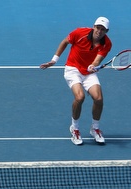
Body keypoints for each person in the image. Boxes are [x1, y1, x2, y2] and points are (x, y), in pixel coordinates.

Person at [40, 17, 112, 145]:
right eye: (97, 28)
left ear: (106, 31)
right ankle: (75, 128)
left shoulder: (107, 44)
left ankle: (95, 128)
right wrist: (54, 60)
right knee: (80, 97)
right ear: (93, 27)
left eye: (102, 29)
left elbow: (97, 60)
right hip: (72, 69)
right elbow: (64, 42)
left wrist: (93, 66)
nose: (99, 31)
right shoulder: (79, 33)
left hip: (88, 73)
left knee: (99, 98)